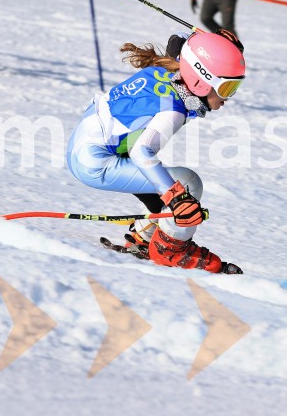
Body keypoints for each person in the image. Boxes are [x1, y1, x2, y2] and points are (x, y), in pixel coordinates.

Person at [66, 31, 246, 274]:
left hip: (85, 142)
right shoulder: (173, 111)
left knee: (163, 182)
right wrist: (175, 197)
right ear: (201, 81)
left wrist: (212, 42)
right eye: (227, 87)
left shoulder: (168, 72)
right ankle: (170, 250)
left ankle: (145, 235)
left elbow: (179, 42)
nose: (229, 97)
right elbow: (141, 152)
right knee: (188, 184)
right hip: (94, 163)